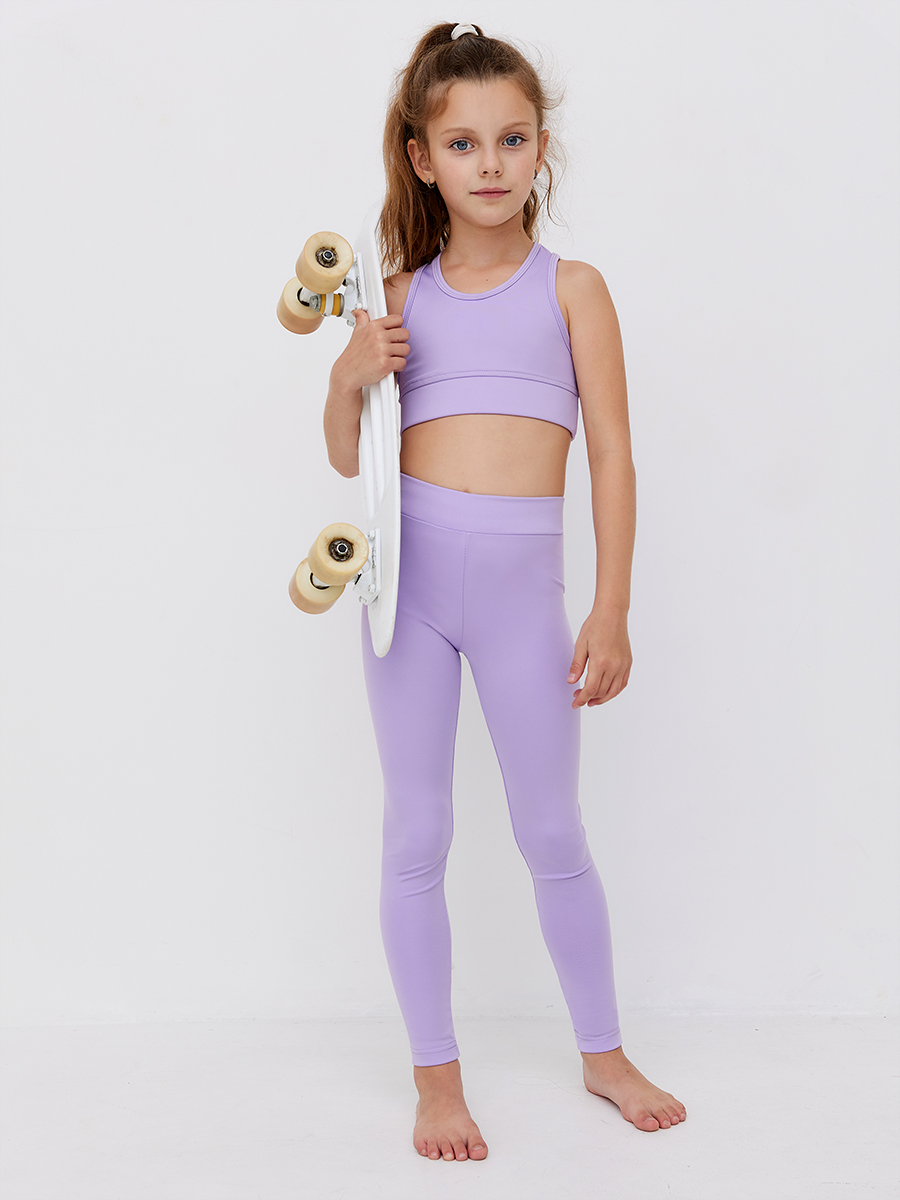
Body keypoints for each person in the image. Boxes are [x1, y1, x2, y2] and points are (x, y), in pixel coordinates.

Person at [315, 21, 687, 1162]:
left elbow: (612, 455)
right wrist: (347, 375)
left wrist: (612, 608)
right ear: (422, 158)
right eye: (464, 143)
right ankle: (437, 1078)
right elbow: (348, 456)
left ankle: (603, 1052)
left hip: (527, 599)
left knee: (551, 829)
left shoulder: (574, 291)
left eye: (513, 139)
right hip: (411, 594)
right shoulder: (398, 299)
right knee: (417, 830)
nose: (491, 163)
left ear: (540, 149)